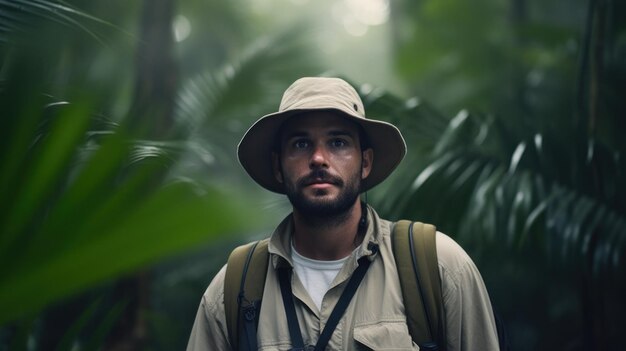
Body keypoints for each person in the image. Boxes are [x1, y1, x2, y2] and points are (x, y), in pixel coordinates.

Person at [187, 77, 500, 350]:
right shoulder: (233, 291)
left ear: (365, 162)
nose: (319, 158)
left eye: (338, 142)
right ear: (277, 166)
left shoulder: (439, 267)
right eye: (300, 144)